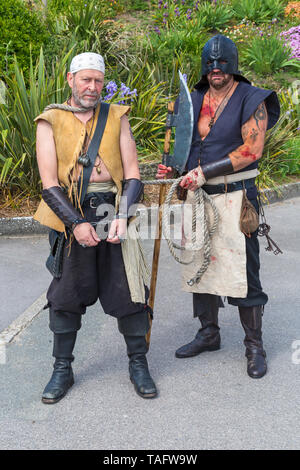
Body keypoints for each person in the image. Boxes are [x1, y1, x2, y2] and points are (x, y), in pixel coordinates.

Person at [34, 52, 157, 403]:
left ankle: (138, 364)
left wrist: (122, 214)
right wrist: (74, 224)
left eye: (98, 80)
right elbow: (48, 183)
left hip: (114, 212)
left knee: (130, 292)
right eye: (85, 79)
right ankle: (62, 369)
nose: (92, 86)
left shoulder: (116, 116)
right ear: (70, 79)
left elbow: (133, 174)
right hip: (70, 212)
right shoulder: (50, 119)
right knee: (66, 297)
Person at [157, 35, 280, 379]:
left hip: (236, 194)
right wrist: (176, 169)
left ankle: (254, 345)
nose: (215, 70)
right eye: (209, 64)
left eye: (222, 63)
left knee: (244, 270)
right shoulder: (194, 98)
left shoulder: (251, 98)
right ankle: (209, 333)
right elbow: (186, 146)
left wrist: (204, 172)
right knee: (200, 265)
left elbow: (251, 151)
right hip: (198, 197)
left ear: (233, 63)